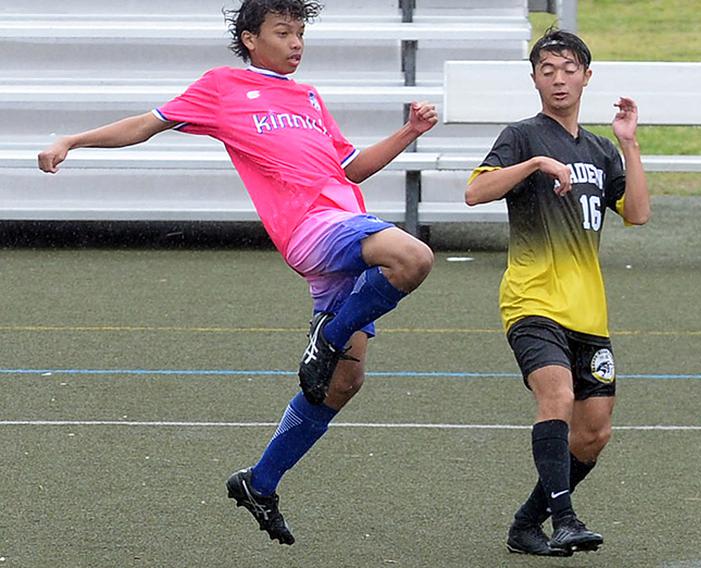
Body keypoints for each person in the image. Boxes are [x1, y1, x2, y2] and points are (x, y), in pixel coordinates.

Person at [38, 0, 437, 546]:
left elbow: (348, 167)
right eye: (283, 32)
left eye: (300, 33)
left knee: (344, 383)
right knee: (413, 257)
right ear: (251, 39)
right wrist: (71, 140)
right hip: (309, 226)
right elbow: (145, 125)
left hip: (344, 223)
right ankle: (330, 334)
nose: (296, 43)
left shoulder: (309, 97)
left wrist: (408, 131)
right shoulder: (223, 86)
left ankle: (259, 482)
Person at [465, 28, 650, 556]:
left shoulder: (599, 149)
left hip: (588, 311)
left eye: (569, 69)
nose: (559, 79)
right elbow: (476, 191)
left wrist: (629, 143)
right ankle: (564, 519)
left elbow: (636, 213)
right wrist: (535, 165)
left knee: (593, 433)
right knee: (558, 396)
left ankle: (528, 523)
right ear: (534, 80)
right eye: (547, 70)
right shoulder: (521, 136)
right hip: (532, 300)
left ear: (586, 77)